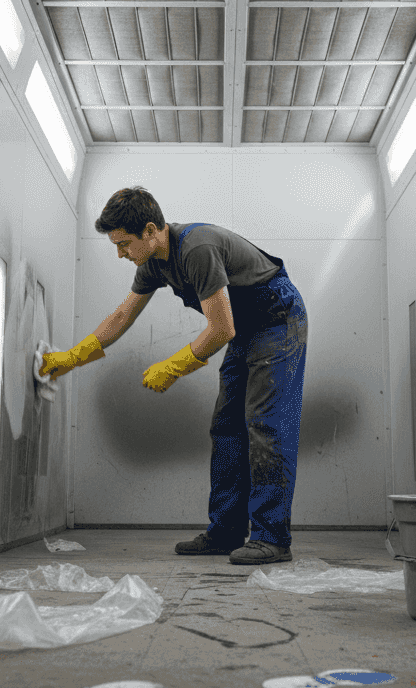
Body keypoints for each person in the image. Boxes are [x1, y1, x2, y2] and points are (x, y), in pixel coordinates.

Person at [40, 187, 307, 565]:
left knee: (265, 425)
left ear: (151, 230)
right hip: (245, 328)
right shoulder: (152, 263)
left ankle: (273, 537)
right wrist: (72, 357)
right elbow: (121, 316)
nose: (120, 254)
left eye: (124, 244)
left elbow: (220, 329)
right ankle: (226, 531)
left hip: (278, 317)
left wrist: (175, 366)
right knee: (226, 427)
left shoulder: (196, 249)